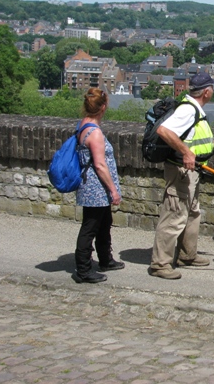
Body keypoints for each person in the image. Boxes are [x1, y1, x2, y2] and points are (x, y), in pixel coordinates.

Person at [148, 72, 214, 280]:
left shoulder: (194, 109)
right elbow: (164, 131)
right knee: (174, 215)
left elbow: (192, 136)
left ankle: (187, 255)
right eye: (211, 88)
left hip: (192, 172)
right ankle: (160, 264)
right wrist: (187, 153)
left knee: (192, 213)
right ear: (206, 92)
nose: (213, 91)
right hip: (181, 171)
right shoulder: (188, 110)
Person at [73, 88, 123, 284]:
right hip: (96, 187)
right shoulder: (94, 133)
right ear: (103, 107)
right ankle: (83, 270)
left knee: (104, 223)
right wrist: (113, 190)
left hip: (94, 186)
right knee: (90, 227)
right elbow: (100, 165)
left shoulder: (83, 125)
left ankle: (105, 259)